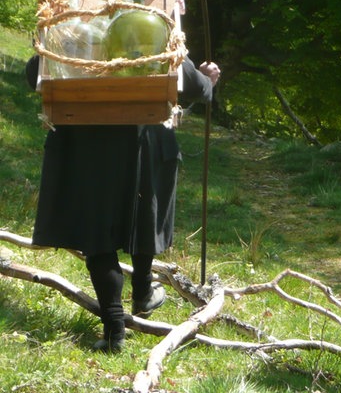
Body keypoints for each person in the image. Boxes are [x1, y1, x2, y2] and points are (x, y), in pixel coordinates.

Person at [26, 55, 220, 352]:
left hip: (87, 141)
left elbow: (34, 73)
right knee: (144, 212)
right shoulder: (152, 34)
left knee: (97, 232)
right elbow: (193, 85)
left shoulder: (73, 35)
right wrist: (208, 80)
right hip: (144, 139)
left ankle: (115, 329)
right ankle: (142, 291)